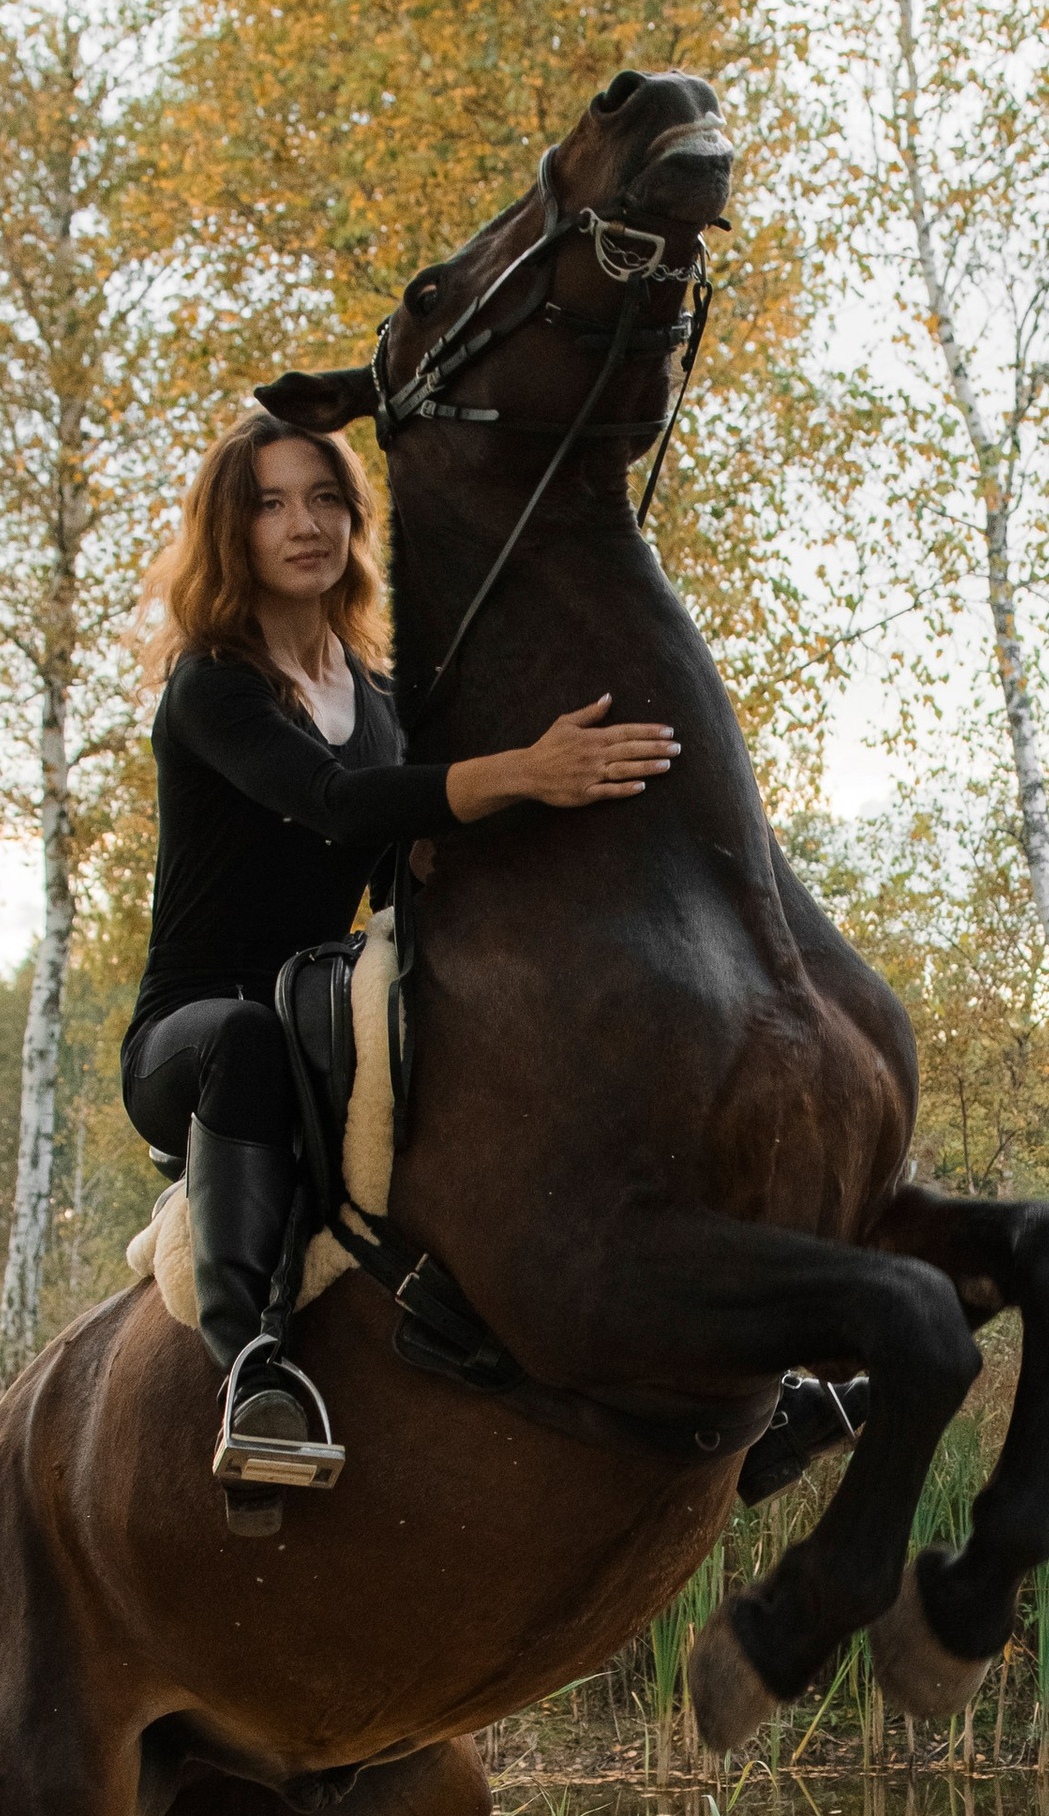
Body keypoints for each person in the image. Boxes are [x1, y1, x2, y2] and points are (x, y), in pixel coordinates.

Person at [125, 413, 676, 1523]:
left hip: (330, 1017)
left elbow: (396, 857)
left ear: (355, 519)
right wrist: (524, 772)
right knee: (245, 1034)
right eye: (272, 503)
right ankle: (253, 1374)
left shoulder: (371, 696)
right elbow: (333, 804)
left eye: (325, 498)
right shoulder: (213, 690)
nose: (303, 524)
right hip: (199, 1039)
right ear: (230, 530)